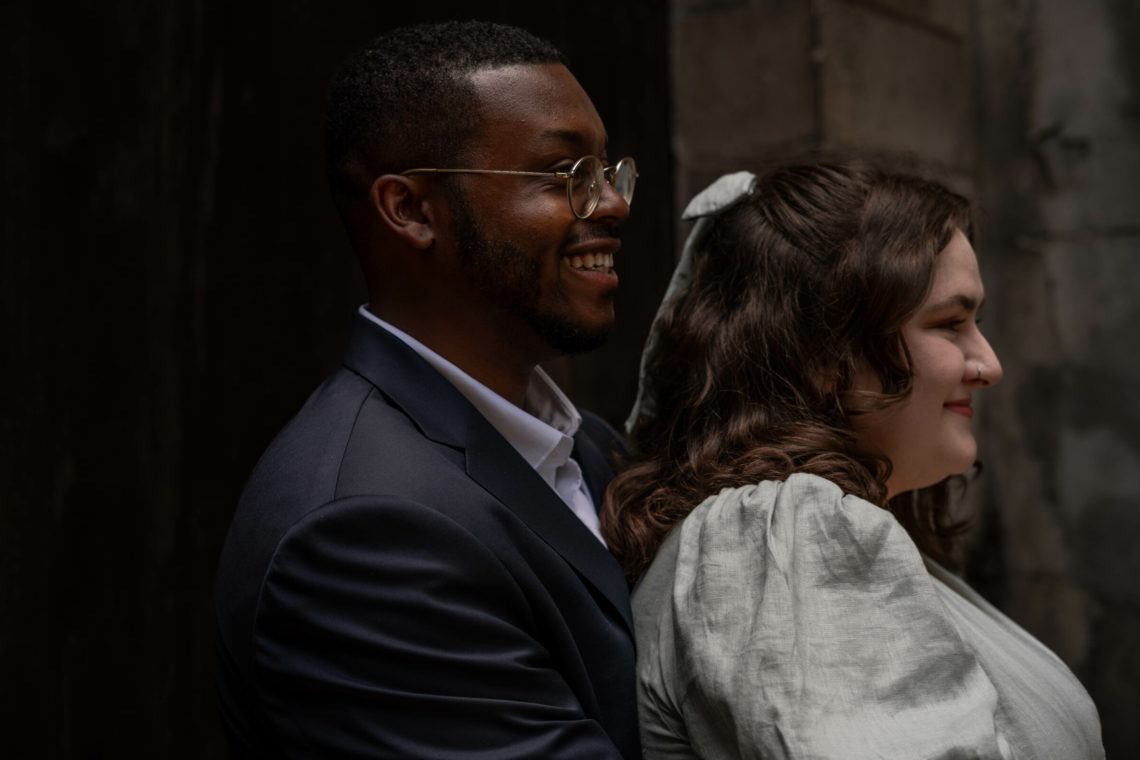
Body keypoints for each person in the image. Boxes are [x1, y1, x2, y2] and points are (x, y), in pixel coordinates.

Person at [213, 21, 641, 759]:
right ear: (410, 211)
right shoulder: (364, 532)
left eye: (607, 171)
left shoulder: (592, 448)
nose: (612, 203)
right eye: (564, 173)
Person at [603, 164, 1104, 759]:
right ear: (822, 351)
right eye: (949, 324)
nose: (988, 364)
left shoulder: (815, 529)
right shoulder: (783, 534)